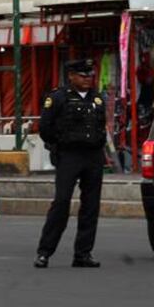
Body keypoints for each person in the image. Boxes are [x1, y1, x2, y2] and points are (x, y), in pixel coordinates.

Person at [34, 58, 107, 269]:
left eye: (90, 76)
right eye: (83, 76)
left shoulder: (97, 98)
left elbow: (101, 126)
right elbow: (45, 128)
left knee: (91, 206)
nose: (87, 79)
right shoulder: (58, 97)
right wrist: (58, 147)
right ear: (71, 76)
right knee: (62, 203)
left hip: (93, 156)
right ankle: (45, 252)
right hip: (69, 155)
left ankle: (83, 254)